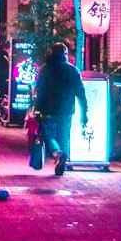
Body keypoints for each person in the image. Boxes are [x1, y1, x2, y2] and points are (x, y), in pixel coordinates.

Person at [34, 42, 88, 176]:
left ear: (52, 53)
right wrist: (84, 112)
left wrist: (37, 108)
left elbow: (40, 91)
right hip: (67, 110)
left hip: (48, 109)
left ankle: (57, 153)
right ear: (65, 54)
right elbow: (81, 92)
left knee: (49, 135)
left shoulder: (45, 69)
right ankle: (63, 162)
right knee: (64, 136)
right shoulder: (73, 70)